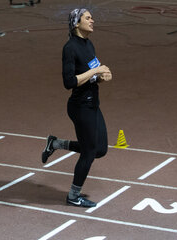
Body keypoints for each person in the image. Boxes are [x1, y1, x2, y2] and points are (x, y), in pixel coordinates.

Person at [42, 8, 112, 208]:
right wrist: (95, 71)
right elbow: (69, 82)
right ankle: (73, 195)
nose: (93, 20)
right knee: (89, 152)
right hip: (80, 107)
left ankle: (55, 144)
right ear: (76, 23)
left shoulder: (89, 44)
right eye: (88, 18)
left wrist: (102, 77)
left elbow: (91, 76)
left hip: (92, 104)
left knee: (100, 149)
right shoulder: (70, 48)